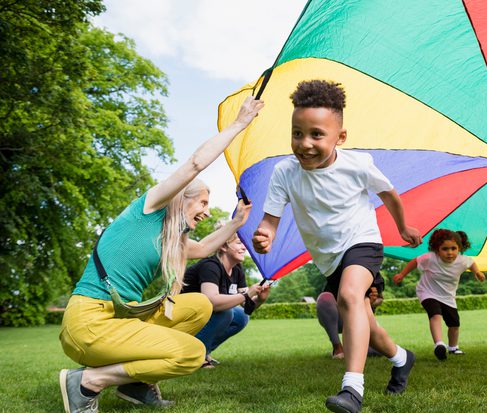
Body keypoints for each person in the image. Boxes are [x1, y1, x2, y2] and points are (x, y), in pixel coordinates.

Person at [58, 96, 264, 413]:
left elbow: (206, 248)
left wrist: (237, 222)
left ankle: (134, 383)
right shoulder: (149, 210)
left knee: (198, 305)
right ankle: (89, 382)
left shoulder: (171, 240)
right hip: (88, 324)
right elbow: (195, 163)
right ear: (182, 199)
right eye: (203, 204)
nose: (207, 213)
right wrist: (239, 123)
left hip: (119, 318)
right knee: (192, 354)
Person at [252, 80, 421, 413]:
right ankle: (402, 358)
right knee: (366, 325)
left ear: (339, 137)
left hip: (363, 241)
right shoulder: (284, 172)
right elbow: (269, 221)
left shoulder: (356, 165)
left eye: (316, 134)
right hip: (328, 259)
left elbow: (389, 194)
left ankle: (352, 390)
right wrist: (265, 235)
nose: (305, 144)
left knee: (348, 296)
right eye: (297, 133)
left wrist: (402, 226)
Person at [182, 222, 271, 368]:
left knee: (241, 316)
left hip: (202, 315)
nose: (244, 247)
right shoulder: (210, 266)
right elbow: (212, 302)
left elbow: (246, 306)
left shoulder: (237, 269)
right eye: (239, 243)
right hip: (182, 315)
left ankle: (204, 352)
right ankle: (192, 354)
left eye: (244, 244)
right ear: (223, 246)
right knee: (226, 313)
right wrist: (247, 294)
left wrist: (260, 299)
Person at [393, 229, 485, 361]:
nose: (450, 252)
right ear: (437, 249)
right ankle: (439, 344)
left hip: (448, 297)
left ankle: (453, 348)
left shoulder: (462, 260)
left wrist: (477, 272)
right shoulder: (430, 258)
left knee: (454, 324)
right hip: (427, 292)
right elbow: (414, 261)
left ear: (459, 248)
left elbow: (471, 263)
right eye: (445, 249)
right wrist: (402, 274)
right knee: (435, 314)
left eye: (454, 248)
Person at [317, 285, 384, 360]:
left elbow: (380, 298)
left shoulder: (371, 276)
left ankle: (351, 349)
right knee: (325, 297)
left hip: (360, 317)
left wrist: (370, 301)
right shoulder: (334, 277)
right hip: (340, 316)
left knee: (381, 350)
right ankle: (337, 348)